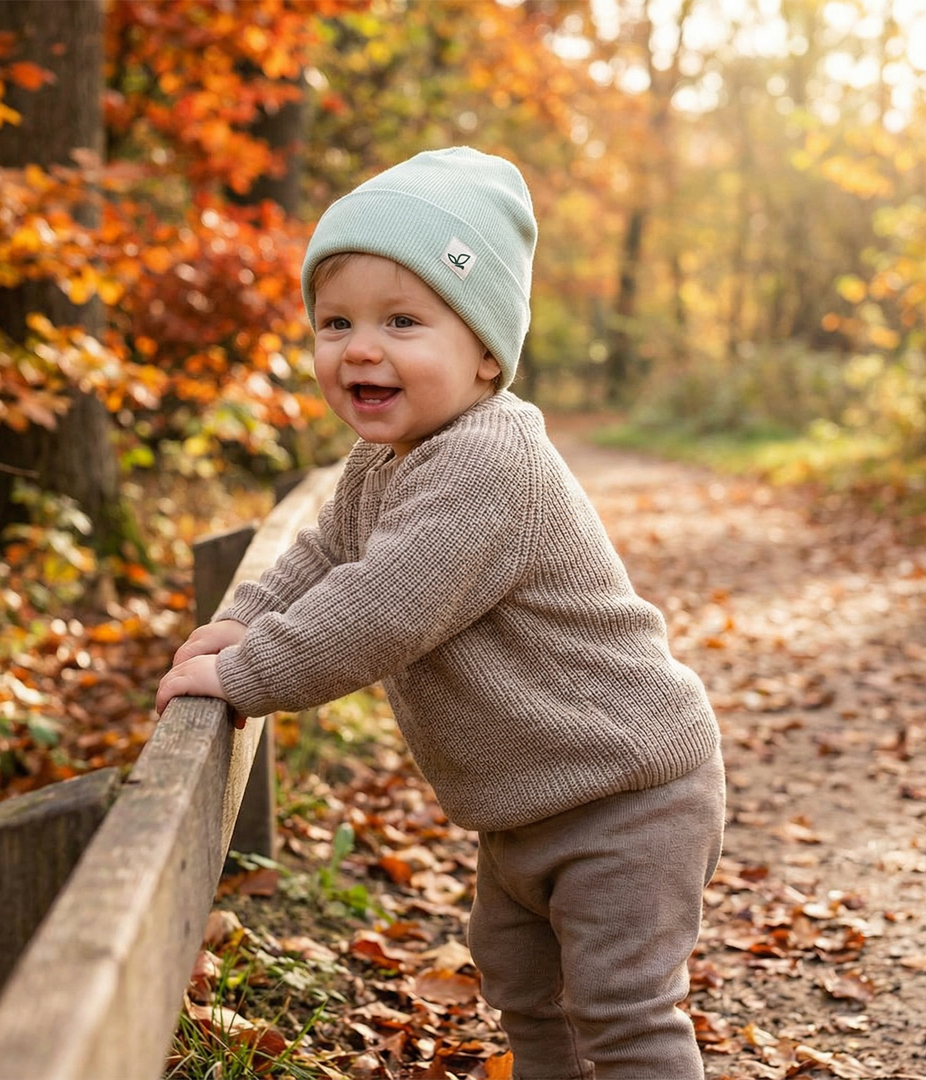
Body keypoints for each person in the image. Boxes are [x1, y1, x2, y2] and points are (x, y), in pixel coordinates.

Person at [156, 146, 725, 1080]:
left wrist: (248, 674)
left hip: (628, 793)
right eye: (335, 321)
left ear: (487, 352)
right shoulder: (385, 461)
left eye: (403, 321)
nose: (360, 347)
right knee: (524, 988)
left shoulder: (489, 461)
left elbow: (380, 608)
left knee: (620, 1011)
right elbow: (325, 555)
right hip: (529, 800)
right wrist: (248, 617)